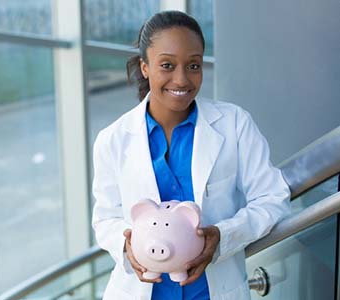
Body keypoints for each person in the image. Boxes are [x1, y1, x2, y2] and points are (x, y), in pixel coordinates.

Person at [91, 10, 291, 300]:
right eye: (167, 65)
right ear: (145, 67)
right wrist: (128, 247)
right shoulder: (113, 139)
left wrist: (223, 236)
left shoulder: (234, 124)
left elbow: (273, 198)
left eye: (193, 65)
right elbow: (105, 217)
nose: (182, 79)